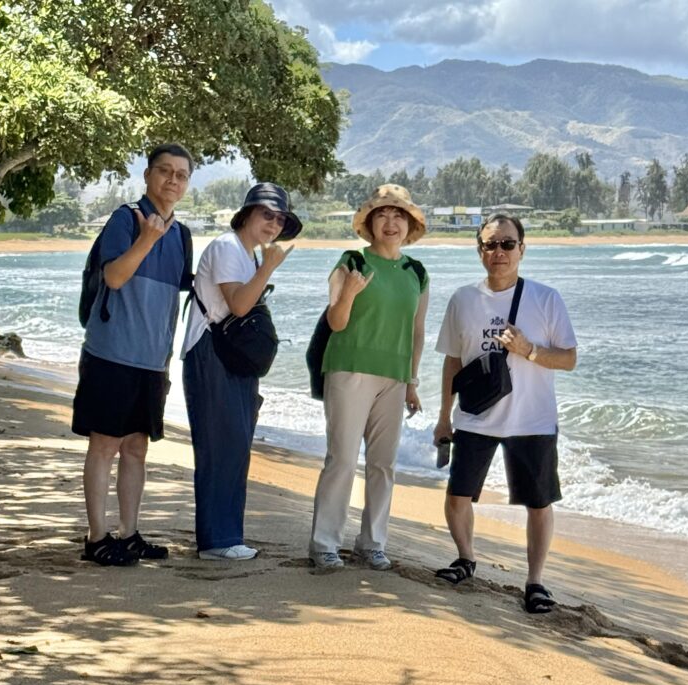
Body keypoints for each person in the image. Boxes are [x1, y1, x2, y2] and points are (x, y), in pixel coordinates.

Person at [433, 213, 577, 612]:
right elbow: (451, 362)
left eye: (507, 244)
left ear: (522, 249)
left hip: (532, 419)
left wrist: (529, 350)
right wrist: (444, 416)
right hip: (475, 417)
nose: (499, 252)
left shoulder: (545, 298)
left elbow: (569, 359)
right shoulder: (463, 299)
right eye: (490, 244)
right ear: (480, 251)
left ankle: (535, 582)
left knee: (538, 502)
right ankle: (465, 558)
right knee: (459, 494)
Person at [72, 142, 195, 566]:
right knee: (104, 445)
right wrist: (146, 239)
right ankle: (96, 538)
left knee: (137, 448)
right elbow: (115, 276)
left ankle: (129, 533)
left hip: (151, 362)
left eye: (181, 175)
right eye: (165, 171)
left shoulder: (182, 235)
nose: (172, 180)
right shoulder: (126, 219)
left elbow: (181, 292)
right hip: (110, 354)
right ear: (147, 175)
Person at [309, 184, 429, 571]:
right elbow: (336, 321)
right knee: (342, 459)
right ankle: (325, 543)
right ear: (370, 223)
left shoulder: (417, 272)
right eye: (382, 215)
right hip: (349, 369)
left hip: (394, 377)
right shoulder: (352, 261)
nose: (390, 222)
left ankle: (372, 543)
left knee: (383, 464)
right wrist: (350, 293)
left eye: (399, 216)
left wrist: (411, 381)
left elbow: (417, 330)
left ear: (409, 225)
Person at [181, 183, 300, 559]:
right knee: (221, 446)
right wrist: (268, 268)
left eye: (280, 219)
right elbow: (240, 305)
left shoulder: (244, 254)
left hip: (229, 357)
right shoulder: (227, 247)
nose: (273, 224)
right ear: (247, 213)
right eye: (267, 214)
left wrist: (262, 266)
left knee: (234, 444)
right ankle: (217, 541)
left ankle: (228, 535)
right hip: (211, 353)